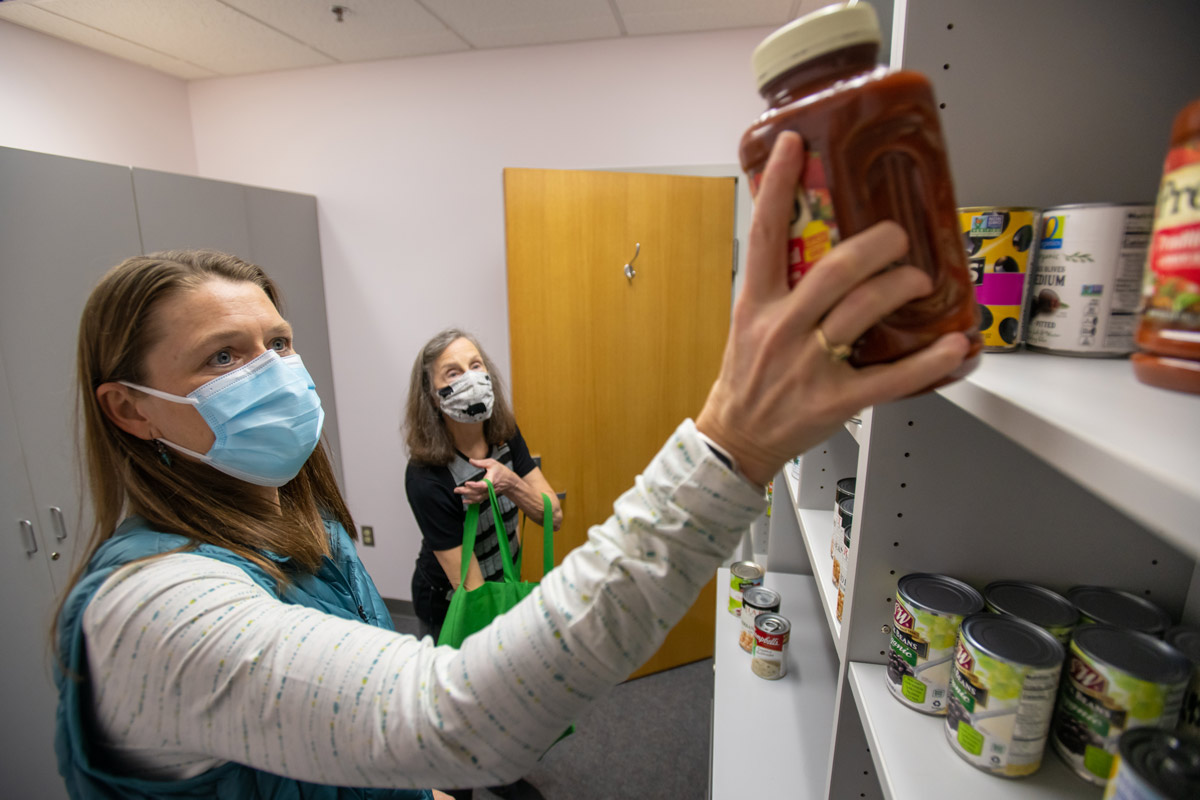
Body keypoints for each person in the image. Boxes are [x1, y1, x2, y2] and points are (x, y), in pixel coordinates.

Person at [53, 131, 970, 799]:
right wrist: (729, 449)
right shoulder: (151, 610)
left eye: (279, 342)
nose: (273, 373)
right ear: (129, 407)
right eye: (223, 357)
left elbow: (387, 671)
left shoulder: (299, 520)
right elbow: (448, 709)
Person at [403, 329, 561, 799]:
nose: (472, 378)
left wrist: (511, 483)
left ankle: (497, 770)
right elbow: (471, 591)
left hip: (501, 581)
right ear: (433, 396)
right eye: (453, 372)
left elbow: (552, 515)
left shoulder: (504, 434)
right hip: (452, 598)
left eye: (476, 365)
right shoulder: (427, 476)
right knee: (465, 700)